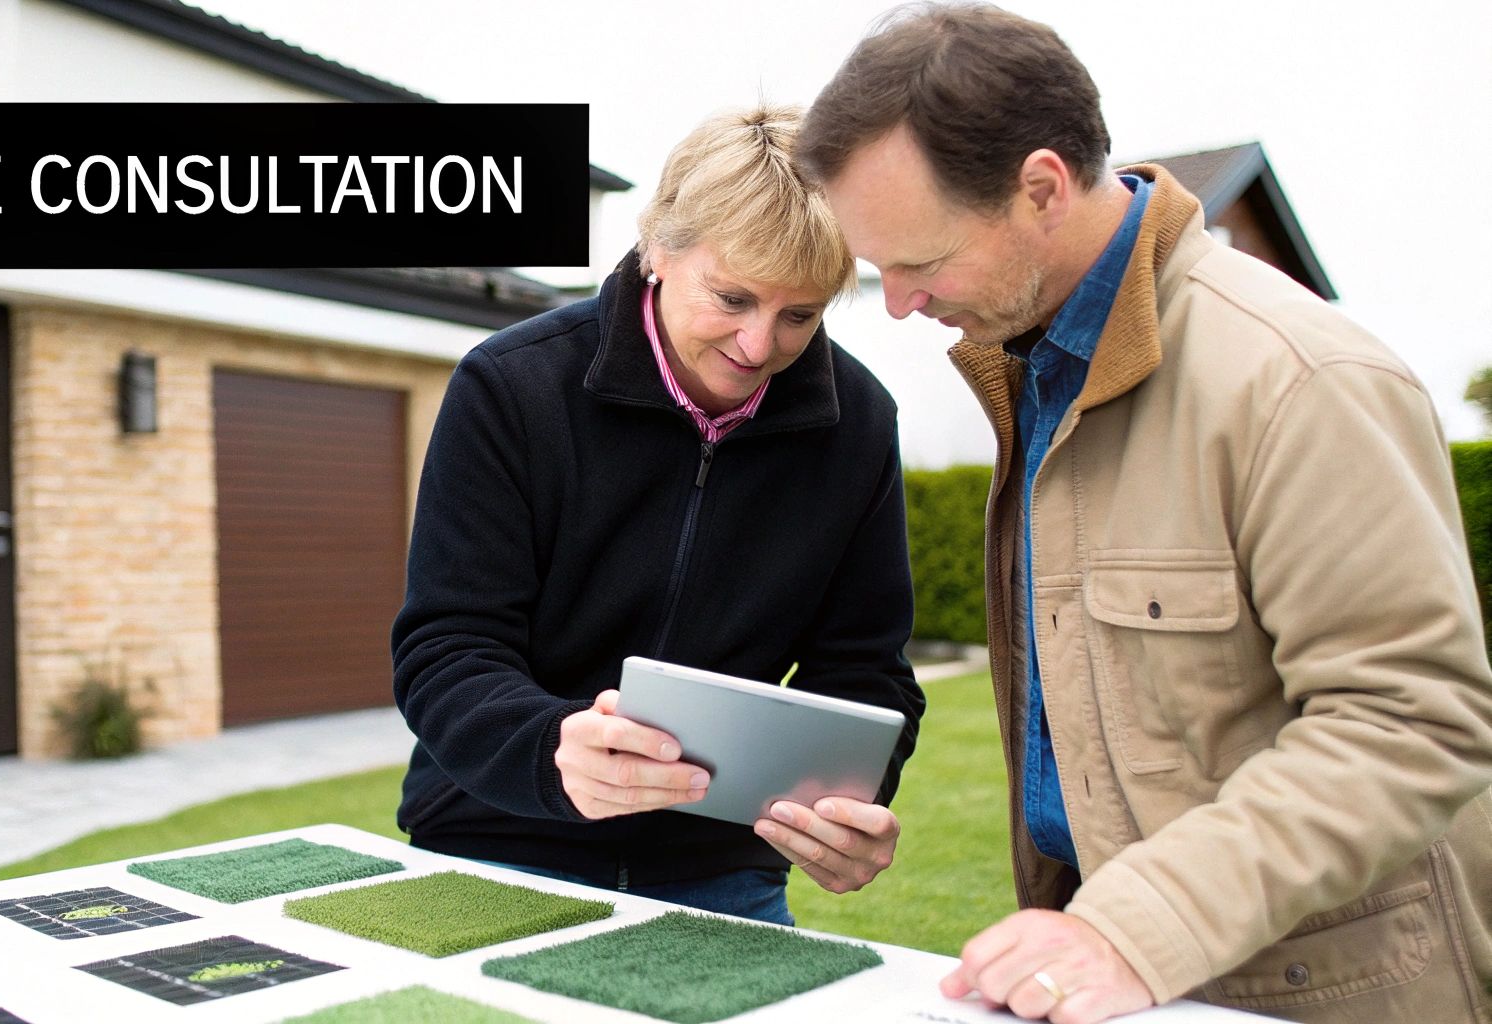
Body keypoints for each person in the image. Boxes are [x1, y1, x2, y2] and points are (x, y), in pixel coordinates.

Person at [797, 4, 1492, 1022]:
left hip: (1316, 990)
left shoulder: (1298, 377)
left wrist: (1133, 922)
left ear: (1038, 187)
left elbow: (1409, 723)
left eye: (918, 260)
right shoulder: (1032, 372)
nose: (897, 303)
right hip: (1126, 975)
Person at [391, 105, 925, 926]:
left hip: (721, 873)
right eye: (733, 297)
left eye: (800, 315)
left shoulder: (857, 422)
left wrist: (849, 806)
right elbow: (446, 650)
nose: (758, 347)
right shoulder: (511, 389)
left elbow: (867, 670)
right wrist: (550, 750)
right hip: (497, 848)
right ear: (658, 250)